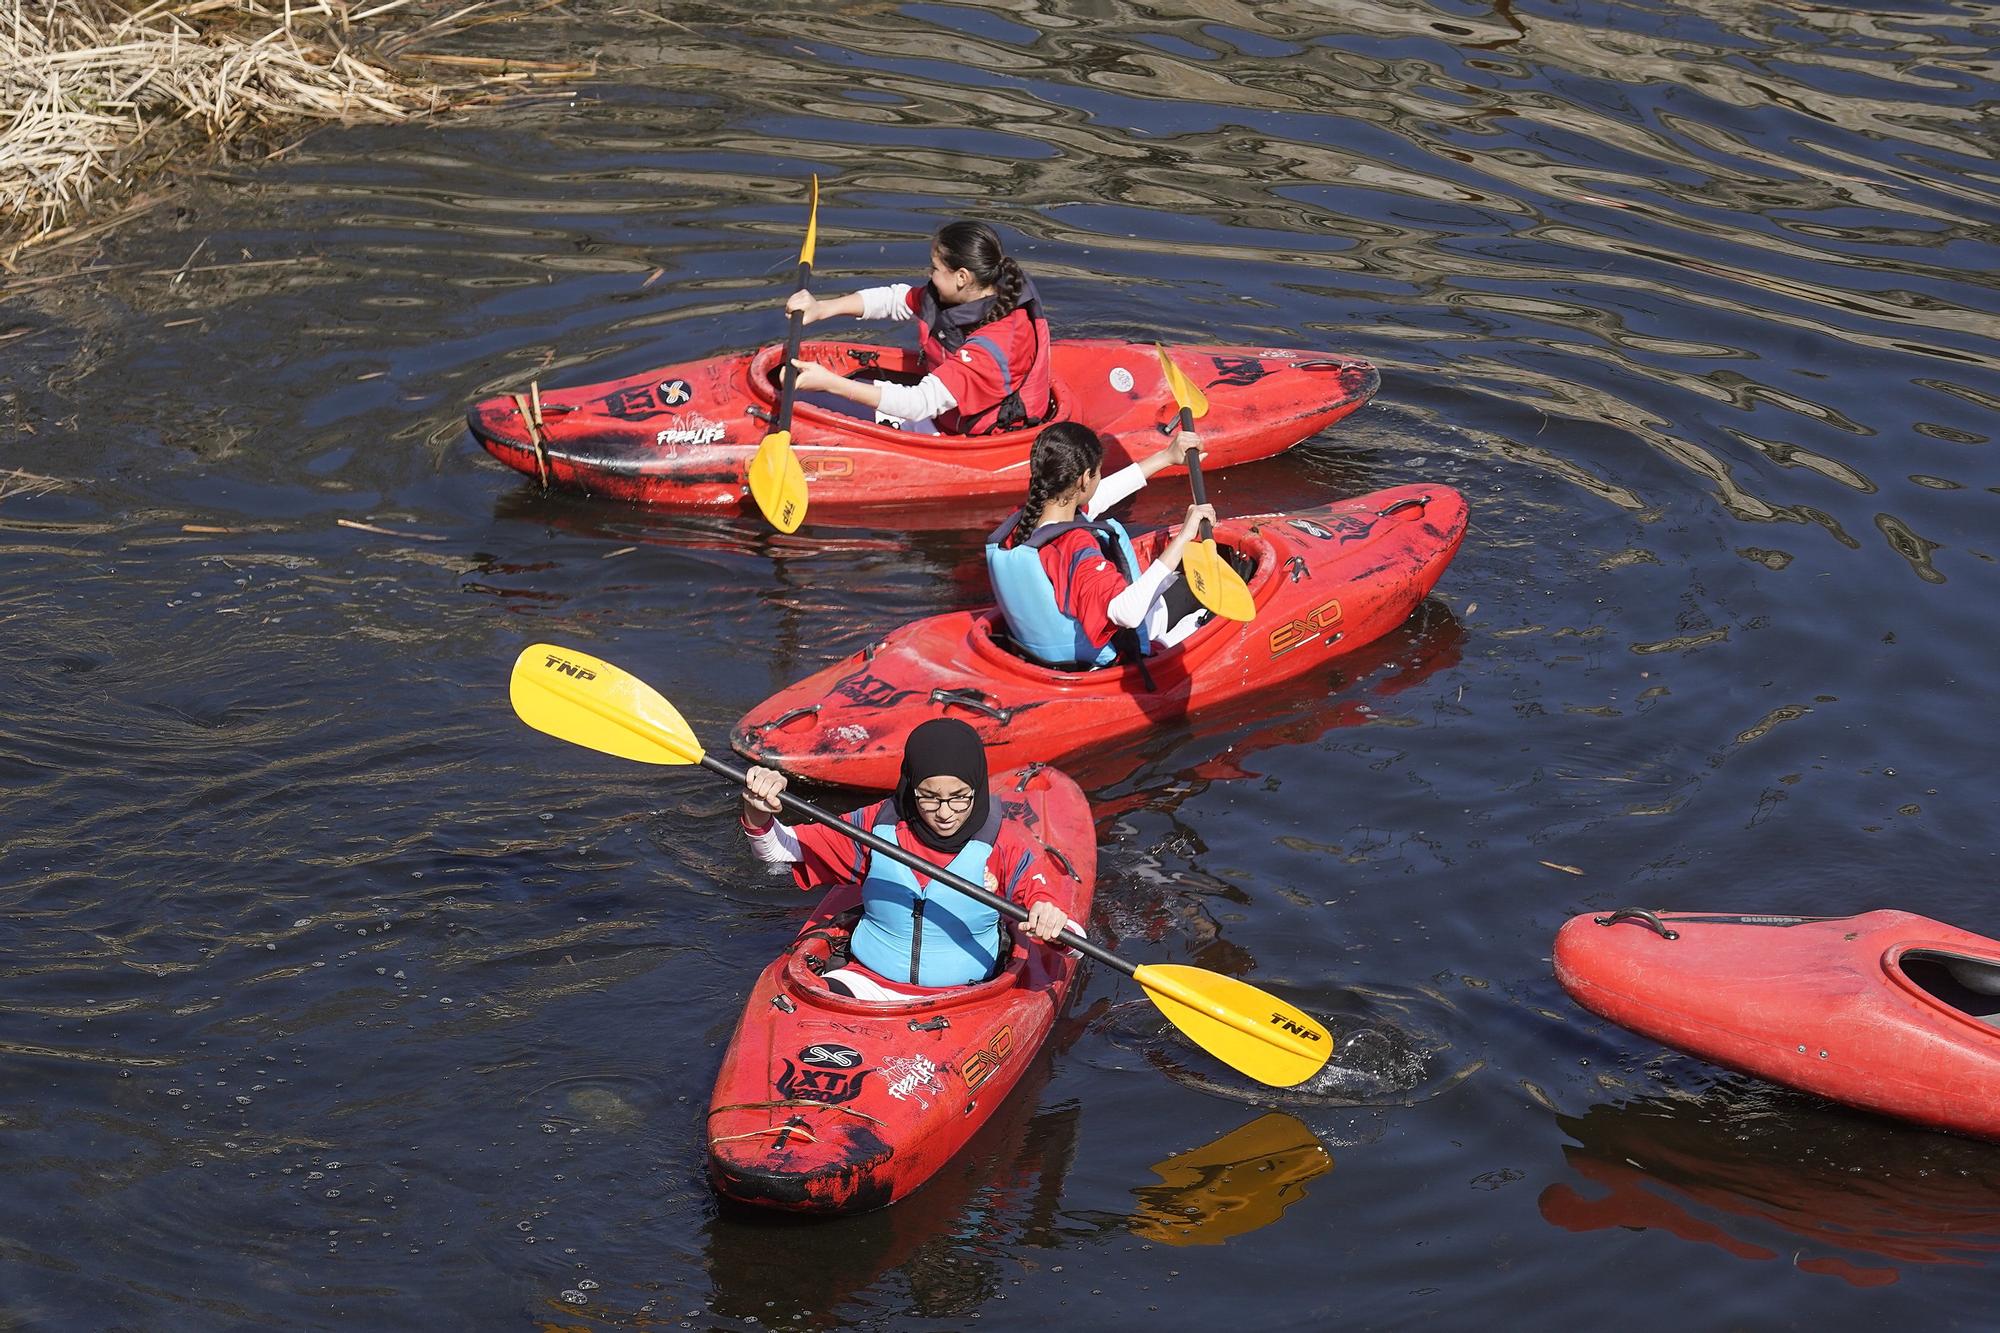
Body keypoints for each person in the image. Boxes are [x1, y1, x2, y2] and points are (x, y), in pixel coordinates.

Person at [739, 718, 1079, 999]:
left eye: (960, 798)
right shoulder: (875, 827)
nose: (945, 813)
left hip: (965, 996)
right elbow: (779, 851)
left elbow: (1073, 941)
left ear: (976, 787)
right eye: (929, 797)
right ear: (910, 785)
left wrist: (1052, 924)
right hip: (863, 984)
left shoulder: (1006, 845)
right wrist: (757, 812)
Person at [986, 421, 1233, 669]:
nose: (1099, 479)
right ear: (1084, 479)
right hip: (1118, 646)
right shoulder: (1077, 546)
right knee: (1205, 582)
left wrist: (1166, 457)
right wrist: (1184, 537)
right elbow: (1126, 613)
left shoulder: (1024, 520)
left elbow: (1098, 496)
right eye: (1098, 472)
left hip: (1043, 651)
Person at [782, 220, 1053, 435]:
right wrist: (824, 308)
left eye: (934, 268)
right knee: (797, 391)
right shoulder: (956, 295)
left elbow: (919, 403)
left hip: (964, 435)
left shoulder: (997, 347)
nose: (929, 275)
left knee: (809, 400)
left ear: (962, 277)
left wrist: (831, 383)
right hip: (939, 413)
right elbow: (895, 299)